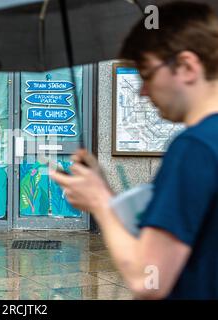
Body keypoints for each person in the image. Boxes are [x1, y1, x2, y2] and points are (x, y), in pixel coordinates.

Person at [51, 1, 218, 300]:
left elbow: (148, 279)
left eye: (147, 73)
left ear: (187, 67)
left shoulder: (193, 149)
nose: (142, 91)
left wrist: (100, 203)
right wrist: (107, 193)